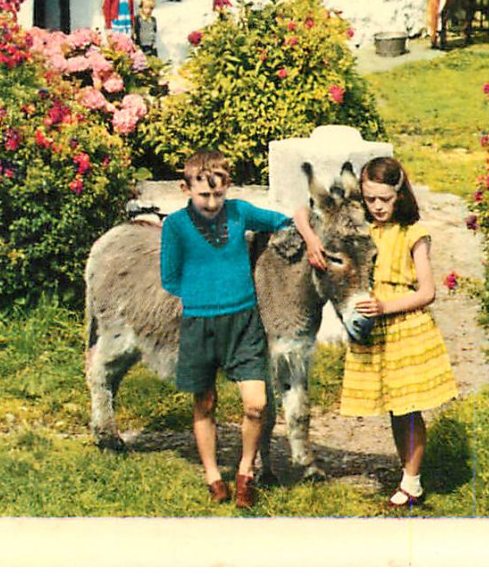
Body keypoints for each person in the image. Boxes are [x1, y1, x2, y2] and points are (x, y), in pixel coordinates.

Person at [159, 150, 320, 508]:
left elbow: (286, 221)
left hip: (244, 322)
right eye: (203, 195)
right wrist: (203, 294)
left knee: (256, 404)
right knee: (205, 402)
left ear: (228, 185)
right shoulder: (175, 226)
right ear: (185, 188)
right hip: (200, 324)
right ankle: (214, 475)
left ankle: (245, 471)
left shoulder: (240, 212)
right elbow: (169, 277)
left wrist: (310, 239)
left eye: (219, 194)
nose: (212, 202)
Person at [315, 155, 457, 508]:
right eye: (370, 199)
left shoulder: (414, 233)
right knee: (395, 408)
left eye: (385, 200)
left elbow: (427, 292)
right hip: (374, 330)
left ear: (400, 195)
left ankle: (412, 483)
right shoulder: (365, 232)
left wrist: (384, 307)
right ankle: (408, 475)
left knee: (409, 407)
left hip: (407, 327)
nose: (377, 207)